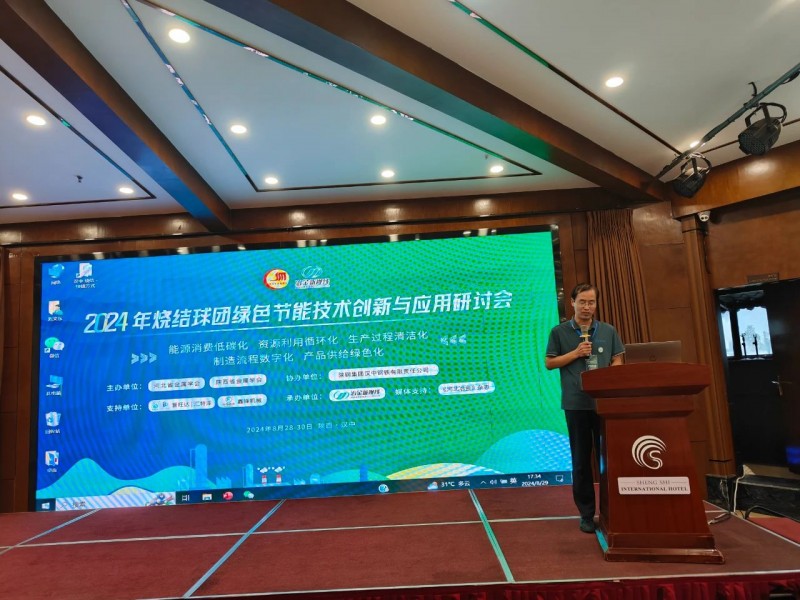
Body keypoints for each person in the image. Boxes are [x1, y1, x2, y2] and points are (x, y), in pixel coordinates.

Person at [545, 283, 624, 533]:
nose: (587, 307)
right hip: (576, 404)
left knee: (609, 459)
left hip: (604, 404)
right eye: (582, 302)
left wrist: (612, 376)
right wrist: (576, 353)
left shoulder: (608, 330)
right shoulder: (559, 332)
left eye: (591, 302)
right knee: (581, 461)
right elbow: (550, 363)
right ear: (572, 303)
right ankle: (587, 514)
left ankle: (613, 509)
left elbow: (618, 358)